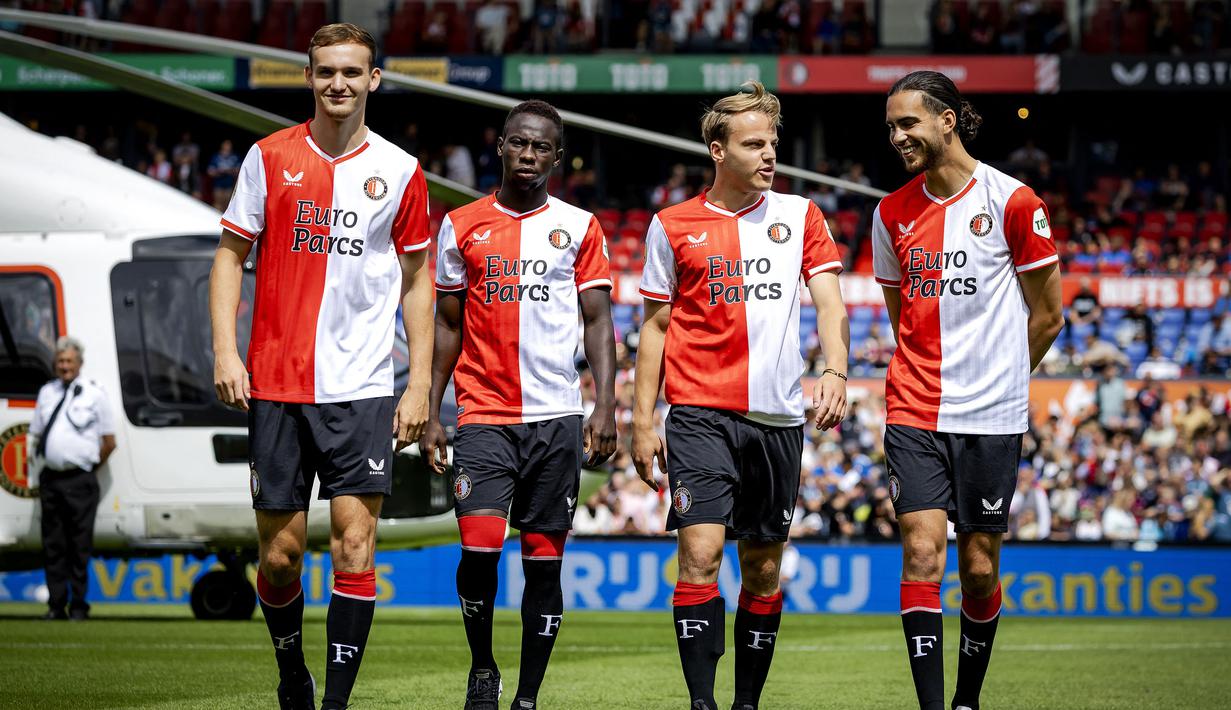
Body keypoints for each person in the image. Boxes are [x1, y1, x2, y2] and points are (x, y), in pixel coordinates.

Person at [208, 23, 434, 710]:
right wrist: (225, 350)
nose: (339, 83)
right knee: (279, 558)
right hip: (276, 384)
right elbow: (229, 258)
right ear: (309, 78)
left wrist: (419, 384)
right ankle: (291, 674)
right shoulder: (268, 157)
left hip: (361, 388)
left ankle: (334, 703)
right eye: (326, 71)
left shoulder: (401, 170)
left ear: (374, 80)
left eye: (352, 71)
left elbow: (418, 279)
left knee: (354, 546)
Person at [631, 81, 849, 710]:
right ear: (718, 150)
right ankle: (702, 703)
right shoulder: (672, 225)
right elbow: (655, 328)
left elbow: (830, 303)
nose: (769, 154)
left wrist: (836, 370)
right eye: (754, 144)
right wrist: (641, 421)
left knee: (763, 568)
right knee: (699, 555)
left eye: (772, 143)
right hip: (699, 414)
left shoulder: (801, 216)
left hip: (777, 419)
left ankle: (746, 703)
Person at [872, 71, 1063, 710]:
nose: (898, 137)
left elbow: (1049, 316)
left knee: (979, 568)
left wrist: (1003, 377)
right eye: (892, 126)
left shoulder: (1014, 202)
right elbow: (902, 317)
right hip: (915, 405)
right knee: (922, 552)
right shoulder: (889, 213)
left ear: (947, 120)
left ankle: (967, 700)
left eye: (909, 123)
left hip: (992, 414)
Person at [419, 100, 616, 710]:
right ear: (501, 145)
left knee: (543, 565)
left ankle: (527, 697)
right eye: (519, 143)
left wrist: (606, 406)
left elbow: (598, 321)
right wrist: (431, 409)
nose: (528, 154)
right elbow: (447, 324)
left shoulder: (579, 227)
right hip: (484, 414)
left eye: (541, 147)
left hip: (556, 417)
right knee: (478, 552)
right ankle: (483, 668)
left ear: (557, 157)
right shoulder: (461, 225)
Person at [28, 336, 116, 621]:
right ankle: (56, 605)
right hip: (51, 480)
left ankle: (78, 605)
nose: (64, 366)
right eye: (60, 361)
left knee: (79, 545)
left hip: (81, 480)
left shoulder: (95, 394)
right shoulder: (46, 392)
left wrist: (88, 467)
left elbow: (109, 442)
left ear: (80, 363)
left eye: (69, 361)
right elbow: (36, 433)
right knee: (53, 545)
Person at [207, 139, 241, 211]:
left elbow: (239, 170)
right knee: (217, 203)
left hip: (229, 184)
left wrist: (230, 170)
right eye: (225, 145)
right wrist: (218, 171)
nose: (227, 147)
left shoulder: (234, 157)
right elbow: (210, 171)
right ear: (222, 146)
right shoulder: (216, 156)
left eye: (228, 145)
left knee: (227, 205)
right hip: (218, 184)